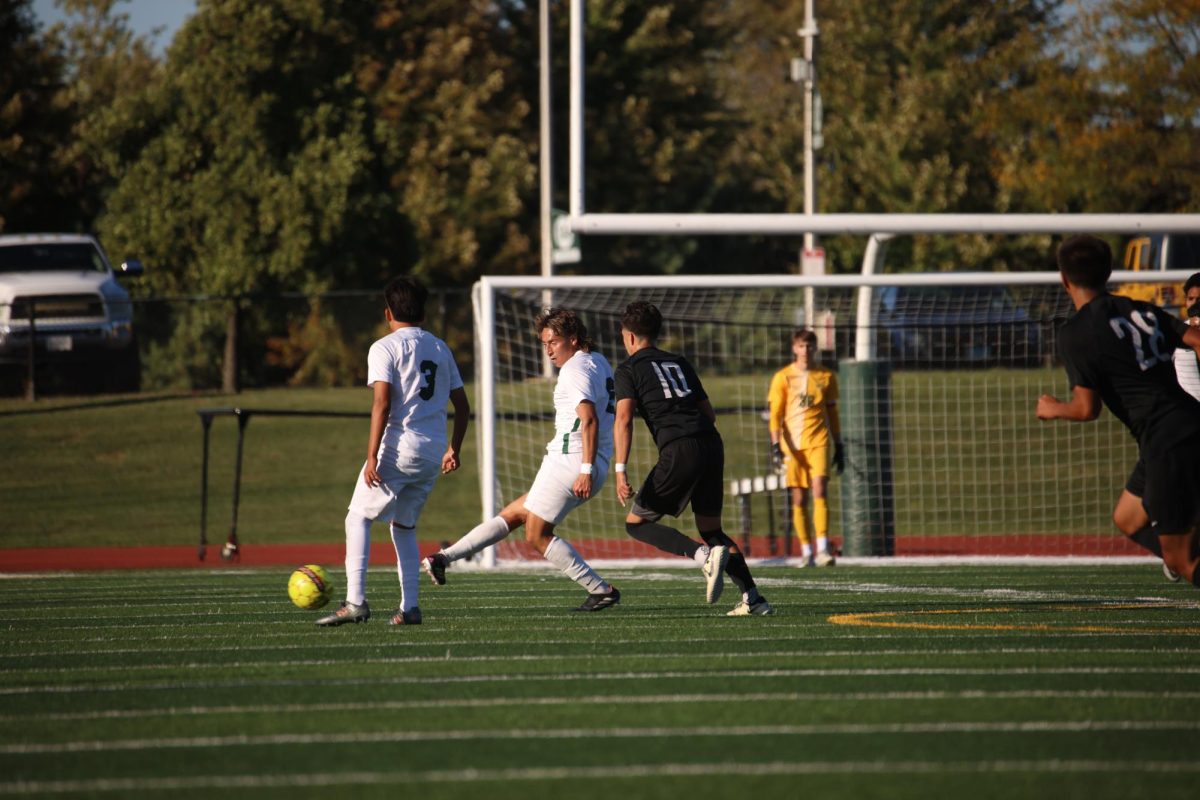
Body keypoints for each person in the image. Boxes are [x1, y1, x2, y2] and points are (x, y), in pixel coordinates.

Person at [422, 308, 621, 612]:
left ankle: (599, 589)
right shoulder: (599, 361)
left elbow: (589, 419)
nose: (548, 351)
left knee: (536, 534)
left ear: (574, 338)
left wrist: (585, 469)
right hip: (588, 460)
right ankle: (443, 559)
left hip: (572, 460)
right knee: (514, 514)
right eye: (544, 344)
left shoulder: (574, 370)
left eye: (553, 342)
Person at [1036, 234, 1200, 588]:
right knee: (1128, 518)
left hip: (1166, 440)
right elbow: (1196, 339)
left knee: (1181, 560)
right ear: (1108, 273)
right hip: (1186, 421)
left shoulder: (1076, 332)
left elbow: (1086, 409)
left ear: (1065, 279)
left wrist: (1051, 409)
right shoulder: (1138, 309)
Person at [317, 276, 470, 627]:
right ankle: (411, 607)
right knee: (403, 526)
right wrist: (453, 448)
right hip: (432, 453)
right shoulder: (440, 347)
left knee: (358, 517)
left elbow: (382, 404)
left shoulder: (384, 347)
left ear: (388, 312)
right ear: (424, 312)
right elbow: (463, 406)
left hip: (398, 447)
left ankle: (355, 601)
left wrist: (372, 455)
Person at [613, 301, 772, 616]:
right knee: (712, 528)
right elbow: (708, 414)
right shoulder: (679, 362)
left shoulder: (628, 369)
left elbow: (624, 420)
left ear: (629, 337)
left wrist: (620, 471)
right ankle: (753, 598)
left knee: (637, 524)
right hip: (712, 444)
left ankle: (702, 556)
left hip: (680, 447)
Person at [1112, 272, 1200, 583]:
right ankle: (1178, 556)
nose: (1195, 307)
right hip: (1168, 433)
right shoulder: (1169, 333)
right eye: (1191, 300)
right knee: (1128, 517)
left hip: (1180, 436)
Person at [767, 328, 844, 567]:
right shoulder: (783, 377)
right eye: (801, 346)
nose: (806, 350)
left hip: (819, 441)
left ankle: (823, 549)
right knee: (799, 498)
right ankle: (806, 550)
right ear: (794, 348)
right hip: (793, 446)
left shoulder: (826, 376)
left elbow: (832, 411)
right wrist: (776, 444)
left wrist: (839, 442)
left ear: (815, 348)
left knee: (820, 489)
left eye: (810, 346)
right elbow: (776, 414)